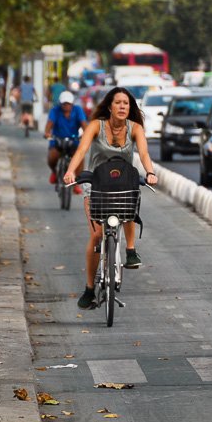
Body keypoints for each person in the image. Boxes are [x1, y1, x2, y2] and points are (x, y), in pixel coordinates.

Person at [63, 87, 159, 309]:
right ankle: (89, 289)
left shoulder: (135, 128)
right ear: (109, 106)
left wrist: (150, 172)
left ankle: (130, 250)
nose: (123, 106)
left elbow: (144, 153)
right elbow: (81, 149)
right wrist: (70, 171)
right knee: (97, 236)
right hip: (96, 185)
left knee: (130, 202)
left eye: (126, 103)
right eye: (118, 103)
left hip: (122, 184)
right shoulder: (96, 125)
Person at [44, 91, 88, 193]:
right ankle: (55, 172)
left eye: (68, 104)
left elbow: (84, 124)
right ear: (60, 104)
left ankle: (76, 183)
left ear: (72, 103)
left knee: (80, 158)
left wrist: (86, 134)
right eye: (64, 104)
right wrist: (47, 133)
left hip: (73, 140)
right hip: (57, 140)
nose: (66, 106)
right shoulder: (55, 111)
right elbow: (49, 123)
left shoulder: (78, 110)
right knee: (52, 157)